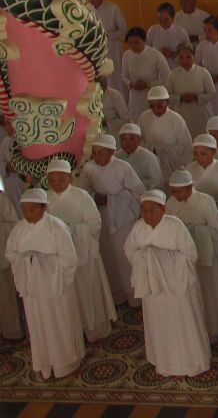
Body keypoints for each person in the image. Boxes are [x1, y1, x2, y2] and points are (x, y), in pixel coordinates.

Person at [124, 189, 211, 376]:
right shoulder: (138, 228)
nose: (147, 215)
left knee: (183, 323)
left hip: (178, 286)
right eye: (144, 211)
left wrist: (159, 258)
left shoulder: (175, 226)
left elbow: (190, 254)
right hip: (153, 287)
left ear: (163, 209)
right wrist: (147, 261)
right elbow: (129, 250)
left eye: (152, 210)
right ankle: (165, 362)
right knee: (160, 324)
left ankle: (191, 363)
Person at [6, 188, 83, 379]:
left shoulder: (56, 227)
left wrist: (45, 264)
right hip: (32, 288)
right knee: (37, 325)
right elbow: (10, 253)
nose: (27, 214)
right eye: (24, 209)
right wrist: (27, 260)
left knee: (59, 323)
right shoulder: (19, 228)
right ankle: (45, 362)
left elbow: (69, 257)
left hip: (55, 286)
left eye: (32, 209)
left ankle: (66, 363)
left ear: (44, 208)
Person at [45, 160, 116, 343]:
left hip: (84, 252)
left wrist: (73, 232)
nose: (56, 184)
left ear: (69, 178)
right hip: (60, 256)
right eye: (52, 180)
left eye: (61, 179)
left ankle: (97, 330)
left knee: (89, 290)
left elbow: (94, 223)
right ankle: (76, 332)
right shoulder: (45, 199)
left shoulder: (81, 195)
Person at [78, 133, 145, 306]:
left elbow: (139, 192)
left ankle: (135, 296)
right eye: (95, 152)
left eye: (101, 153)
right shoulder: (89, 169)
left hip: (124, 217)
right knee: (109, 256)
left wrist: (113, 200)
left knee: (125, 255)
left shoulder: (123, 167)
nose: (97, 157)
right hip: (102, 216)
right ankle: (116, 295)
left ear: (111, 152)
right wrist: (95, 197)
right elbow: (83, 193)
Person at [166, 170, 218, 343]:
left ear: (190, 187)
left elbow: (217, 230)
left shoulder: (205, 201)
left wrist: (194, 231)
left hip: (206, 256)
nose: (176, 195)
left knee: (209, 294)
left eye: (180, 191)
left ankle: (213, 329)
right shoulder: (170, 203)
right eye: (173, 191)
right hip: (182, 260)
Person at [139, 85, 192, 181]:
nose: (155, 109)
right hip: (149, 162)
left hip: (171, 165)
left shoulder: (176, 119)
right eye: (151, 106)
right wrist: (151, 149)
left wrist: (163, 152)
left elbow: (186, 146)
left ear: (167, 102)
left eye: (159, 106)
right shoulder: (144, 117)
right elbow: (138, 139)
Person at [166, 43, 216, 137]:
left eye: (188, 57)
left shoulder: (203, 72)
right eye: (181, 57)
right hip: (182, 112)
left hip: (201, 113)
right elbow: (167, 95)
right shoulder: (173, 74)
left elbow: (212, 94)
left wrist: (196, 97)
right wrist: (181, 98)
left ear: (194, 56)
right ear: (177, 58)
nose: (185, 60)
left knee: (203, 136)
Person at [121, 27, 170, 121]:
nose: (133, 46)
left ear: (145, 41)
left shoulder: (155, 54)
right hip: (135, 95)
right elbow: (124, 76)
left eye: (137, 42)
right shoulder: (126, 55)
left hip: (152, 94)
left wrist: (148, 84)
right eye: (130, 43)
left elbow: (166, 76)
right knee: (137, 120)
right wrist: (131, 84)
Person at [88, 0, 128, 94]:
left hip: (113, 49)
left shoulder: (113, 8)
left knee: (116, 76)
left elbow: (124, 29)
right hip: (95, 50)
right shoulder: (87, 10)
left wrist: (108, 35)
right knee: (100, 76)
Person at [0, 188, 23, 341]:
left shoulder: (3, 198)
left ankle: (12, 330)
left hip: (2, 251)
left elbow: (14, 225)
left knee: (6, 291)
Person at [116, 123, 163, 191]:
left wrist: (134, 184)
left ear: (139, 140)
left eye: (131, 139)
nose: (127, 143)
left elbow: (156, 181)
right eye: (124, 139)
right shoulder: (116, 156)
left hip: (143, 195)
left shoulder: (148, 157)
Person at [147, 2, 191, 70]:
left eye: (166, 20)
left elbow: (189, 53)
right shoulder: (153, 30)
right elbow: (147, 51)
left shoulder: (180, 31)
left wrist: (172, 54)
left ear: (172, 18)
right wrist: (158, 53)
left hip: (176, 69)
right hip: (158, 69)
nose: (163, 23)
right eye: (160, 20)